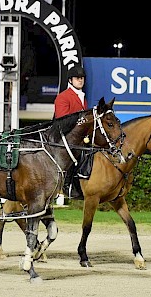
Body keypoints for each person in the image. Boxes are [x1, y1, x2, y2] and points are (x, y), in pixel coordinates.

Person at [53, 65, 88, 204]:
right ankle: (65, 186)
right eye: (77, 78)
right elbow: (62, 121)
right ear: (70, 80)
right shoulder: (63, 97)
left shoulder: (82, 98)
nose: (80, 80)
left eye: (82, 78)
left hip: (80, 139)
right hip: (65, 138)